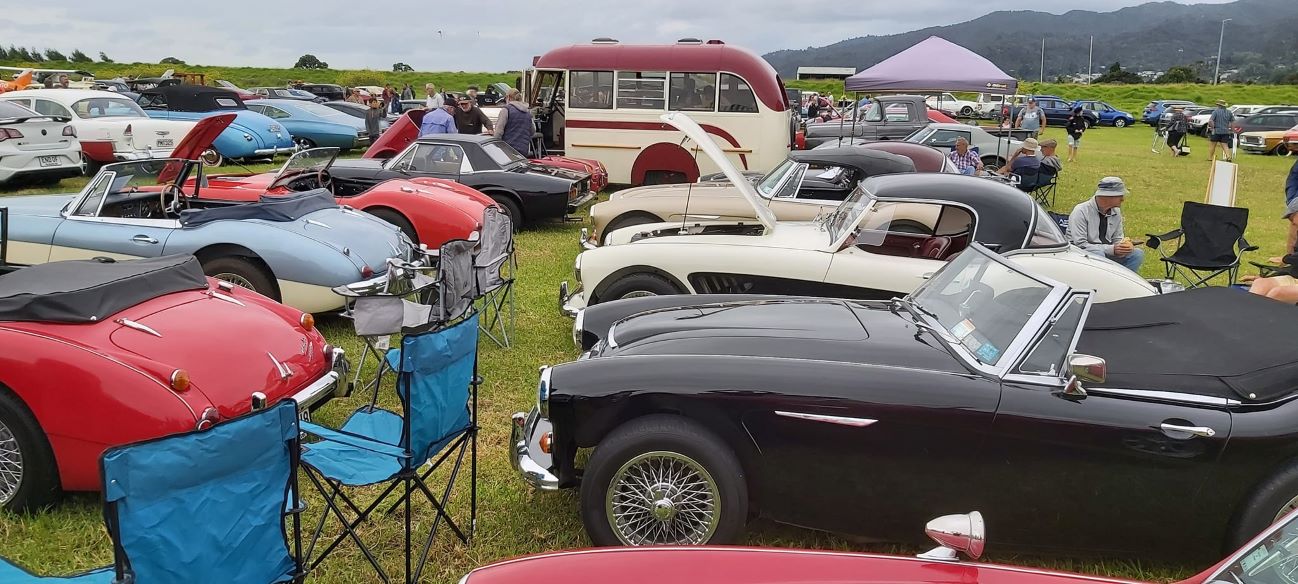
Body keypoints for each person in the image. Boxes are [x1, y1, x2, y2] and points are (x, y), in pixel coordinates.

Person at [1067, 176, 1144, 273]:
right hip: (1080, 255)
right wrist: (1112, 249)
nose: (1123, 199)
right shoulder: (1081, 211)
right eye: (1120, 195)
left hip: (1106, 252)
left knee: (1137, 254)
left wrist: (1124, 247)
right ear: (1107, 197)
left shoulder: (1116, 212)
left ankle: (1121, 283)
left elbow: (1117, 239)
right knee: (1098, 255)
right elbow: (1080, 244)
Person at [494, 87, 535, 157]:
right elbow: (532, 131)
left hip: (508, 149)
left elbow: (499, 131)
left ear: (508, 97)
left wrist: (495, 146)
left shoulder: (506, 110)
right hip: (523, 150)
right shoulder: (527, 112)